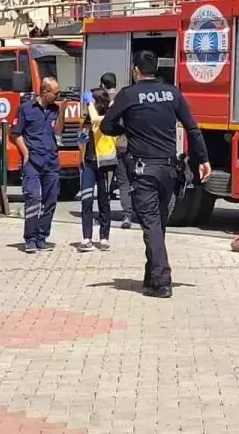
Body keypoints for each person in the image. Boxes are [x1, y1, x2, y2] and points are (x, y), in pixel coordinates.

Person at [100, 51, 211, 298]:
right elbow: (192, 129)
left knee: (150, 225)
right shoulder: (173, 92)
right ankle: (151, 276)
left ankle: (162, 281)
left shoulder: (128, 95)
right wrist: (203, 160)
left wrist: (126, 127)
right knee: (157, 225)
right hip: (169, 171)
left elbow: (106, 126)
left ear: (136, 71)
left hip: (144, 171)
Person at [13, 76, 63, 253]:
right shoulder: (26, 109)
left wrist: (62, 113)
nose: (58, 96)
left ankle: (42, 237)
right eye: (56, 93)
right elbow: (16, 134)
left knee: (51, 200)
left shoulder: (55, 109)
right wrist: (25, 152)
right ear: (45, 91)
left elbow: (57, 131)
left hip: (50, 160)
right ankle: (30, 238)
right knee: (33, 197)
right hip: (32, 161)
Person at [84, 72, 137, 228]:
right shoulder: (124, 97)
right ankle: (134, 214)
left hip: (111, 148)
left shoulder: (102, 99)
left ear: (102, 85)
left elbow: (95, 121)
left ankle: (114, 216)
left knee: (114, 183)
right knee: (130, 181)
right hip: (128, 144)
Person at [77, 88, 118, 251]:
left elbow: (96, 119)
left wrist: (89, 102)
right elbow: (82, 135)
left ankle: (104, 238)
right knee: (86, 200)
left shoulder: (109, 118)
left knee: (104, 201)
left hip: (106, 164)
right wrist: (81, 140)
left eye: (92, 101)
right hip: (89, 162)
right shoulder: (89, 118)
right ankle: (86, 237)